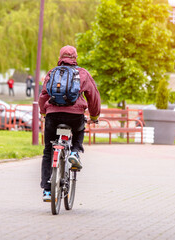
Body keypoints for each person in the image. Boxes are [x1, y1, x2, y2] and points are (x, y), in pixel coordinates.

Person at [38, 45, 101, 202]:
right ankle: (74, 152)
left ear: (60, 57)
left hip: (53, 115)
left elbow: (43, 95)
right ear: (75, 58)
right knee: (80, 129)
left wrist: (44, 112)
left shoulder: (52, 72)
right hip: (74, 116)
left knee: (48, 151)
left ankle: (47, 191)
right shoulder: (82, 73)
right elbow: (93, 96)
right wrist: (94, 115)